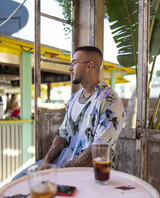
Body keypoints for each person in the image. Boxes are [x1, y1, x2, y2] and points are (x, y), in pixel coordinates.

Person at [12, 46, 126, 180]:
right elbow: (63, 135)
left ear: (90, 66)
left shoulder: (109, 101)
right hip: (63, 162)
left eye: (74, 63)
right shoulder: (74, 98)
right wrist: (46, 162)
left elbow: (97, 151)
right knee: (18, 182)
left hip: (90, 172)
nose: (70, 68)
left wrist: (61, 172)